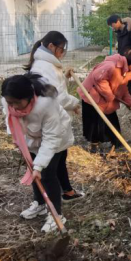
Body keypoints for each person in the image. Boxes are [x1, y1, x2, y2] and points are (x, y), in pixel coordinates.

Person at [2, 73, 75, 233]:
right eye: (10, 102)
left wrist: (39, 166)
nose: (13, 106)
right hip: (32, 139)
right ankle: (40, 204)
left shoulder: (47, 105)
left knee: (46, 174)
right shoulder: (10, 102)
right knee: (33, 170)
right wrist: (17, 140)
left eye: (17, 102)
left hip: (56, 139)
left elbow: (51, 138)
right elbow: (10, 119)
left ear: (29, 97)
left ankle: (56, 215)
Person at [26, 31, 82, 202]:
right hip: (50, 119)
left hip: (52, 117)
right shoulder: (45, 67)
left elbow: (54, 86)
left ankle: (67, 190)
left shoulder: (46, 64)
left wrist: (64, 77)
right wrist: (75, 103)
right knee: (53, 161)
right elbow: (57, 96)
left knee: (60, 155)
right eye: (61, 49)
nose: (62, 53)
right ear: (51, 46)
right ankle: (48, 201)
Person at [79, 52, 131, 152]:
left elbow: (123, 89)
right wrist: (109, 95)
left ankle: (116, 142)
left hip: (104, 99)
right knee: (95, 124)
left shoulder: (125, 71)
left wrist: (130, 104)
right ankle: (94, 146)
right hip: (92, 96)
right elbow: (98, 78)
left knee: (113, 121)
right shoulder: (112, 66)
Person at [107, 15, 131, 99]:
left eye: (112, 25)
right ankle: (128, 102)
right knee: (124, 83)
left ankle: (130, 103)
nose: (112, 28)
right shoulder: (120, 32)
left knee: (127, 83)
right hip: (123, 61)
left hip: (130, 61)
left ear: (117, 22)